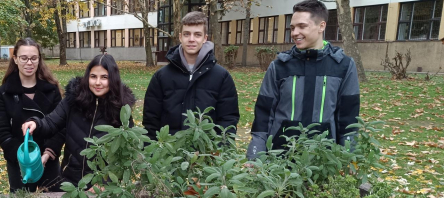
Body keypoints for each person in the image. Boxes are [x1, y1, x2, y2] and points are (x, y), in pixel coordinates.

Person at [246, 0, 360, 159]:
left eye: (302, 26)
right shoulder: (279, 66)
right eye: (292, 27)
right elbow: (263, 117)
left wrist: (349, 160)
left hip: (324, 160)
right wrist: (254, 156)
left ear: (321, 26)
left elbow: (349, 119)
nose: (294, 32)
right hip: (279, 161)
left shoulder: (343, 66)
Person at [21, 54, 135, 186]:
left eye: (104, 77)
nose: (97, 82)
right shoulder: (74, 100)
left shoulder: (121, 109)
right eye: (93, 77)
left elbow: (126, 153)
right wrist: (36, 123)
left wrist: (106, 182)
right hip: (70, 180)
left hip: (100, 185)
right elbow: (51, 122)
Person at [143, 11, 239, 140]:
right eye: (187, 34)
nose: (191, 39)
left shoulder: (221, 76)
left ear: (205, 38)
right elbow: (151, 120)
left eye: (197, 35)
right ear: (180, 37)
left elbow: (228, 119)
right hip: (168, 153)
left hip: (207, 154)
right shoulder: (161, 76)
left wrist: (217, 152)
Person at [0, 38, 65, 192]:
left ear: (39, 59)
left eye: (33, 58)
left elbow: (61, 126)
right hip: (19, 162)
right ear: (15, 59)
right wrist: (23, 158)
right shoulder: (4, 93)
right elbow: (2, 132)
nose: (29, 63)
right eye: (24, 58)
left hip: (48, 160)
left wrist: (47, 154)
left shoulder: (52, 90)